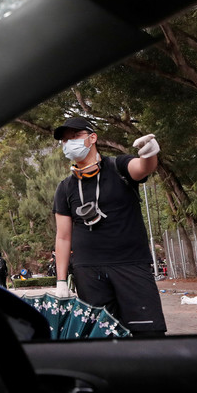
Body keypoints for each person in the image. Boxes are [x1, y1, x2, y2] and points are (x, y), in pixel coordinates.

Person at [52, 116, 167, 337]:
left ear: (92, 138)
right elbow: (63, 237)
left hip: (131, 264)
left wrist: (150, 153)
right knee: (100, 336)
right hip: (88, 271)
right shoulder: (65, 187)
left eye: (75, 136)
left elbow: (142, 168)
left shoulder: (118, 166)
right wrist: (60, 281)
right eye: (65, 141)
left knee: (148, 333)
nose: (69, 143)